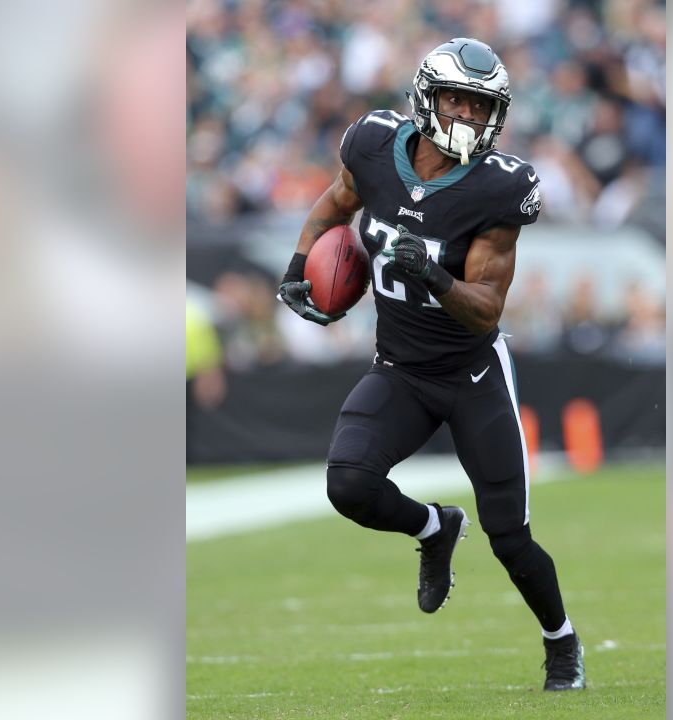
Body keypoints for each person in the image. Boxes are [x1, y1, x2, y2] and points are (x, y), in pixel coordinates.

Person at [276, 37, 585, 691]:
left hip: (472, 375)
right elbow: (336, 202)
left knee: (511, 539)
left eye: (482, 108)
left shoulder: (502, 188)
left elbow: (485, 310)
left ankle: (562, 644)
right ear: (426, 97)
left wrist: (433, 275)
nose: (470, 119)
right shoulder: (371, 145)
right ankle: (435, 525)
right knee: (348, 485)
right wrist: (301, 265)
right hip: (400, 370)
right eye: (458, 102)